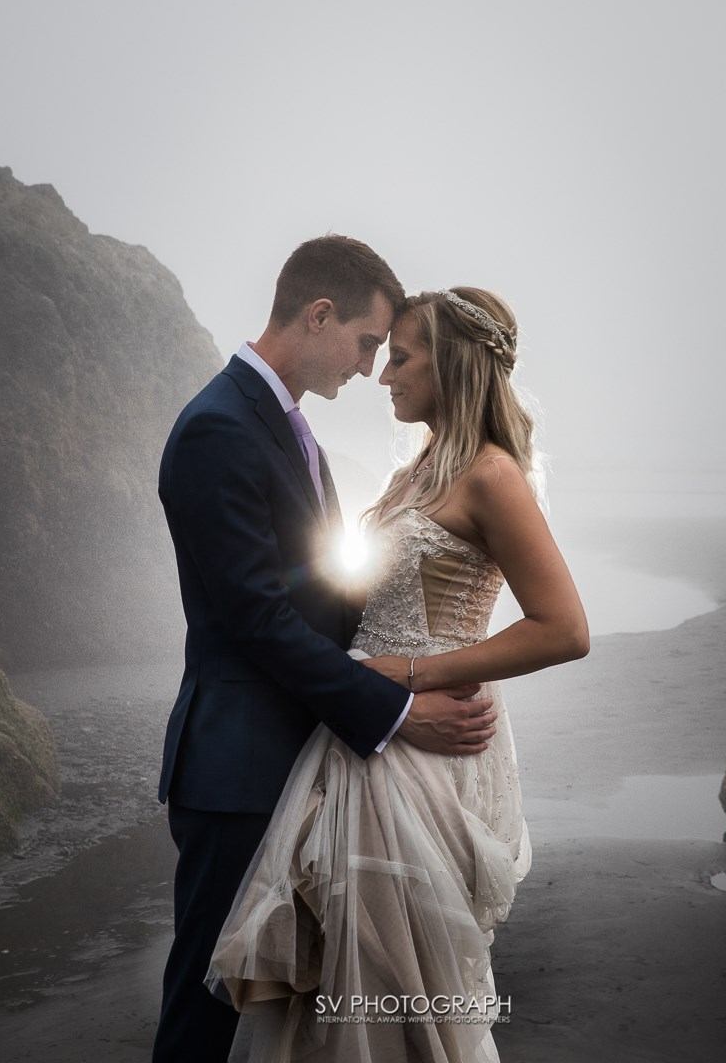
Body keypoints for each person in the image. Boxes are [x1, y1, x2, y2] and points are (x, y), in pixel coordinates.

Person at [206, 287, 590, 1063]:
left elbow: (565, 629)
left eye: (404, 357)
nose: (384, 374)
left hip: (420, 750)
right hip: (362, 732)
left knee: (396, 985)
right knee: (334, 979)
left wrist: (412, 674)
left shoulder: (491, 475)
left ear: (451, 364)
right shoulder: (412, 474)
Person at [152, 241, 500, 1063]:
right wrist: (398, 707)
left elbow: (318, 589)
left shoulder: (283, 425)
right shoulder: (217, 428)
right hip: (237, 767)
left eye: (385, 352)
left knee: (292, 1002)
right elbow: (257, 619)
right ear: (318, 316)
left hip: (303, 752)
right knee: (212, 999)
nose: (372, 367)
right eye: (368, 343)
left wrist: (418, 635)